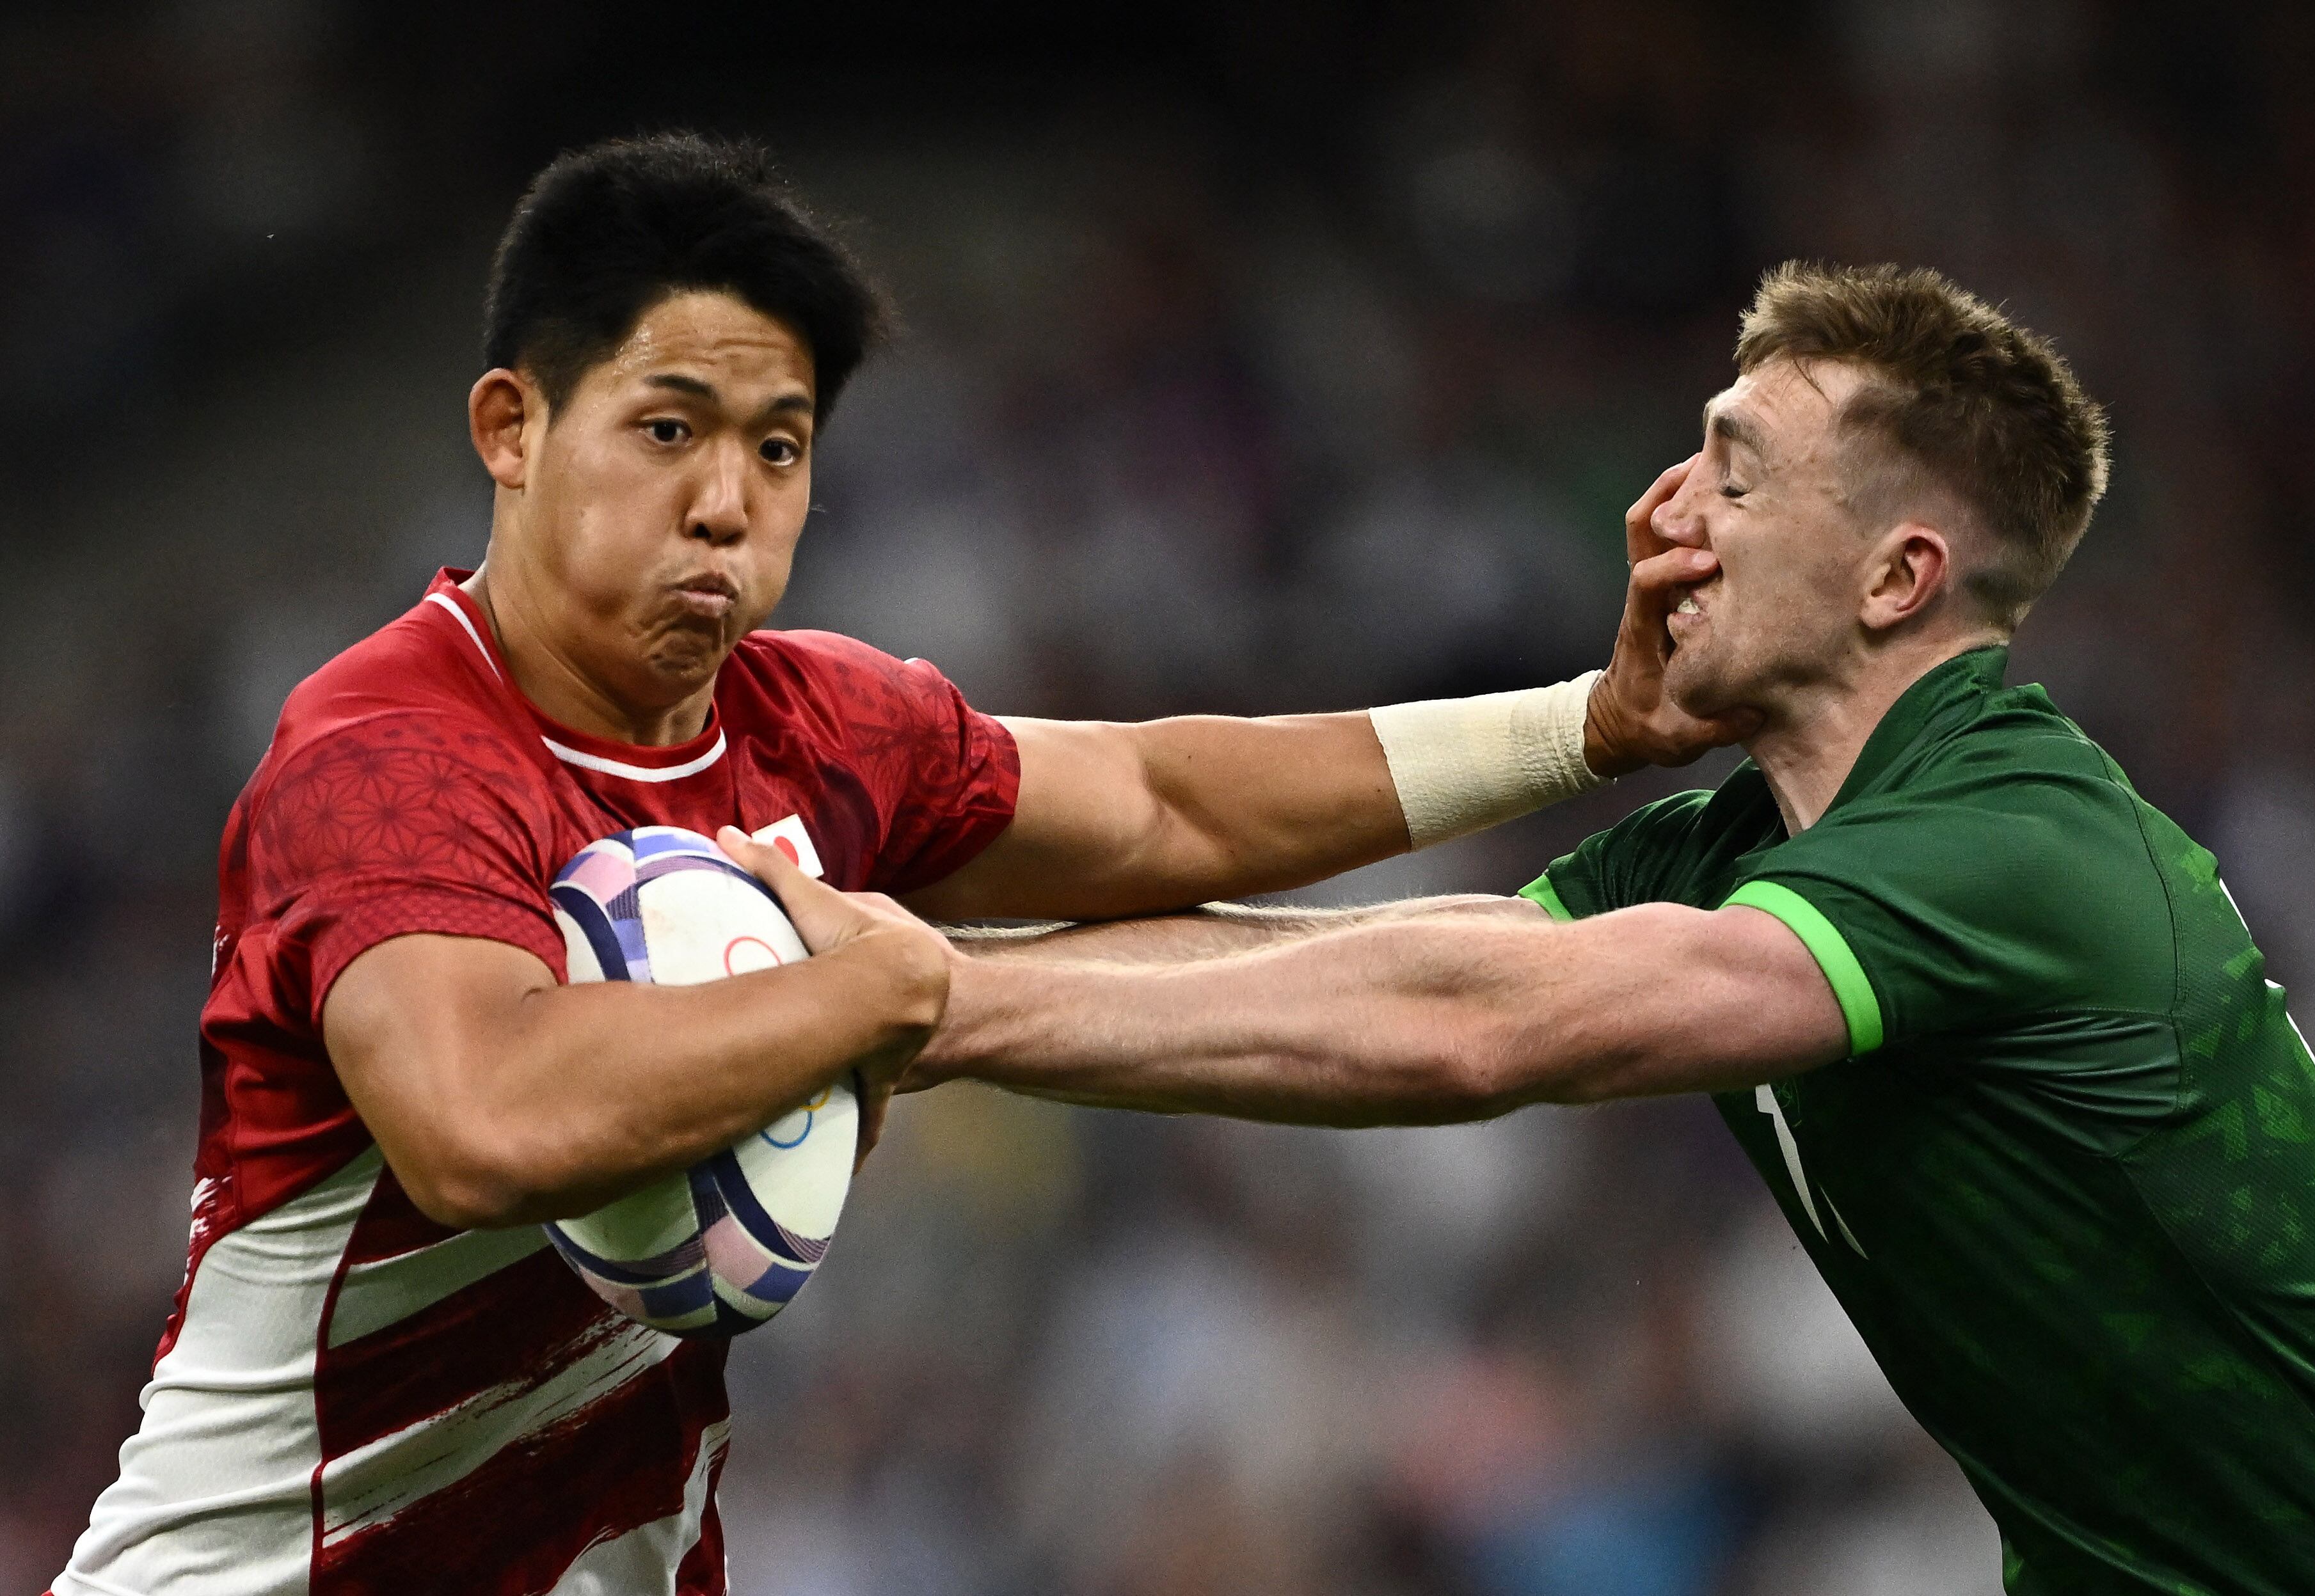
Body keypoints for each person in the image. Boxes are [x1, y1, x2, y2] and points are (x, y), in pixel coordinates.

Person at [52, 134, 1724, 1595]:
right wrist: (882, 991)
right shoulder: (388, 754)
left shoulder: (806, 728)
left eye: (778, 447)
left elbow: (1161, 803)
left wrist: (1588, 725)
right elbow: (483, 1122)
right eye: (668, 429)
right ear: (513, 426)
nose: (726, 501)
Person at [806, 263, 2315, 1593]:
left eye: (1736, 473)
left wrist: (934, 1006)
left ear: (1899, 577)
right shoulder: (1733, 850)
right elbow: (1354, 976)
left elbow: (1484, 1021)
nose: (1663, 514)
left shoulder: (2018, 840)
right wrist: (922, 984)